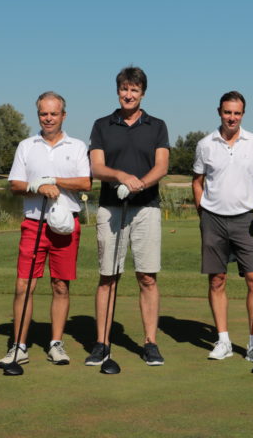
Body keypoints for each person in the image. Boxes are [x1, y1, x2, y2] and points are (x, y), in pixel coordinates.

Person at [0, 91, 91, 368]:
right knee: (23, 285)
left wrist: (54, 180)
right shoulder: (27, 146)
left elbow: (86, 183)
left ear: (63, 115)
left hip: (65, 226)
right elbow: (15, 184)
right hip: (33, 223)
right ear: (38, 114)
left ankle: (56, 344)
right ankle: (19, 346)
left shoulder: (76, 146)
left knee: (60, 285)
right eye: (43, 113)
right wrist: (36, 185)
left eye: (53, 113)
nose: (48, 118)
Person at [86, 66, 170, 367]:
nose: (129, 94)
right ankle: (101, 343)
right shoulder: (102, 125)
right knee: (108, 276)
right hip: (110, 208)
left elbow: (162, 166)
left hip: (147, 207)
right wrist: (121, 175)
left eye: (134, 90)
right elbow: (96, 168)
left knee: (147, 276)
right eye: (124, 89)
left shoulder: (157, 125)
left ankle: (150, 343)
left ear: (142, 93)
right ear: (118, 91)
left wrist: (140, 183)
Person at [192, 91, 253, 365]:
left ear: (243, 114)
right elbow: (197, 181)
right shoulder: (205, 144)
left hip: (245, 220)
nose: (232, 117)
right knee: (217, 280)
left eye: (237, 113)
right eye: (228, 112)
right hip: (213, 219)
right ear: (219, 111)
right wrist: (202, 212)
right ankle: (224, 341)